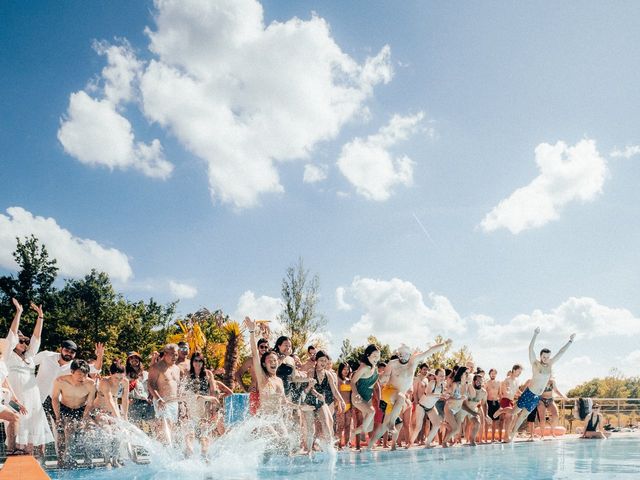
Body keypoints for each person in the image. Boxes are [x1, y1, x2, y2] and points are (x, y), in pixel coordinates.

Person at [368, 340, 451, 448]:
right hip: (389, 392)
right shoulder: (392, 364)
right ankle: (392, 424)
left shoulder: (414, 360)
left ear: (410, 354)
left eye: (405, 355)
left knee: (384, 426)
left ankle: (370, 446)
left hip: (398, 397)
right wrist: (382, 378)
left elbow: (429, 351)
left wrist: (444, 344)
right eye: (400, 355)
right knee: (401, 398)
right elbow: (384, 378)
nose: (402, 357)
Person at [507, 328, 575, 442]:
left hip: (536, 397)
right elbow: (530, 348)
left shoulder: (550, 364)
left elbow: (561, 352)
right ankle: (502, 411)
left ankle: (512, 435)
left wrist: (570, 341)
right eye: (544, 357)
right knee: (514, 412)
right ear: (540, 356)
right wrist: (535, 334)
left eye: (548, 357)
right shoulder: (535, 363)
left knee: (523, 416)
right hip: (529, 393)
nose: (546, 359)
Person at [5, 299, 54, 456]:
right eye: (20, 341)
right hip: (15, 395)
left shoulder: (30, 356)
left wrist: (40, 317)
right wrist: (18, 313)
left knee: (31, 429)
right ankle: (12, 451)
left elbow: (36, 337)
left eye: (25, 341)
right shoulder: (8, 356)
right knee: (15, 421)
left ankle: (29, 459)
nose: (24, 343)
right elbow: (12, 335)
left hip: (32, 396)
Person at [35, 338, 103, 421]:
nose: (69, 354)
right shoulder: (46, 356)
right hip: (36, 394)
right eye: (66, 350)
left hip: (52, 399)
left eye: (72, 352)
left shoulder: (74, 367)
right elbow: (29, 363)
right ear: (61, 349)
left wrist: (100, 356)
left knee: (51, 427)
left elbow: (96, 368)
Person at [184, 351, 232, 458]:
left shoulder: (208, 374)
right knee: (190, 433)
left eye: (200, 361)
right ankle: (188, 455)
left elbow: (213, 392)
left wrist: (213, 409)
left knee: (204, 435)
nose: (198, 363)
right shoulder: (187, 374)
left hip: (205, 407)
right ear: (192, 362)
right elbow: (184, 392)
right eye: (196, 360)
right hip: (192, 407)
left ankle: (205, 457)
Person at [51, 359, 96, 467]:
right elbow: (55, 399)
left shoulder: (91, 384)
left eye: (85, 374)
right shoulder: (61, 381)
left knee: (89, 429)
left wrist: (84, 419)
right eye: (79, 374)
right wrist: (58, 417)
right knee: (67, 429)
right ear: (72, 372)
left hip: (81, 409)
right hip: (65, 408)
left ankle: (88, 458)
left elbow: (90, 404)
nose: (82, 377)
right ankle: (64, 459)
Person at [147, 344, 181, 445]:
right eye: (172, 355)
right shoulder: (157, 367)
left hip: (174, 403)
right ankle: (163, 453)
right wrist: (158, 399)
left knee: (171, 429)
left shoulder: (177, 369)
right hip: (162, 401)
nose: (174, 357)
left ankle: (163, 452)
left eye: (176, 355)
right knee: (165, 427)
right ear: (165, 354)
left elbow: (176, 387)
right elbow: (150, 385)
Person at [350, 344, 381, 442]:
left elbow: (375, 384)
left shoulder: (374, 368)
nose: (377, 358)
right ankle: (354, 432)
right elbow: (352, 381)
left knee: (369, 428)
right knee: (371, 412)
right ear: (368, 355)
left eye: (378, 356)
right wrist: (355, 393)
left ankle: (354, 431)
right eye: (374, 355)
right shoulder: (364, 367)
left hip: (367, 398)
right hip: (358, 397)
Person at [414, 368, 448, 448]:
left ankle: (427, 443)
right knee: (418, 427)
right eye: (440, 376)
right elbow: (429, 394)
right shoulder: (432, 383)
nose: (442, 377)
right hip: (421, 406)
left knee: (437, 424)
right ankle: (410, 443)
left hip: (431, 407)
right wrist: (440, 395)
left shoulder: (444, 385)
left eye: (444, 376)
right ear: (436, 376)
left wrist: (446, 396)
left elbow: (442, 395)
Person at [235, 337, 270, 414]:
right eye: (261, 346)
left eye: (266, 347)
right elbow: (238, 374)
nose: (264, 348)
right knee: (254, 417)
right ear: (257, 348)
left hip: (266, 392)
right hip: (254, 391)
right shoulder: (251, 360)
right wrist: (244, 388)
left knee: (266, 416)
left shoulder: (271, 362)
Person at [126, 352, 154, 424]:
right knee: (135, 427)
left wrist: (151, 397)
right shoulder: (126, 375)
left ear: (139, 360)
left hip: (147, 402)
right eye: (131, 358)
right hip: (134, 403)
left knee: (151, 427)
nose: (134, 359)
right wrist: (128, 399)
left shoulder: (146, 374)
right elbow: (122, 390)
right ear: (128, 361)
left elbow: (152, 386)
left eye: (136, 358)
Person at [335, 362, 353, 449]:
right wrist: (338, 404)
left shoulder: (349, 381)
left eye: (347, 369)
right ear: (341, 369)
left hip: (349, 406)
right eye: (344, 369)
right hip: (340, 405)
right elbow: (336, 393)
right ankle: (338, 445)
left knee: (348, 425)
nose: (346, 371)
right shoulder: (337, 380)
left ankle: (347, 444)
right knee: (340, 426)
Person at [485, 368, 501, 442]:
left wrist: (501, 405)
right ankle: (485, 438)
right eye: (492, 373)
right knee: (488, 421)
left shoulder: (498, 383)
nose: (493, 375)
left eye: (494, 373)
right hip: (488, 402)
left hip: (496, 403)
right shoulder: (487, 382)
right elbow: (484, 394)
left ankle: (493, 438)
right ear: (489, 374)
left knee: (495, 421)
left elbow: (500, 394)